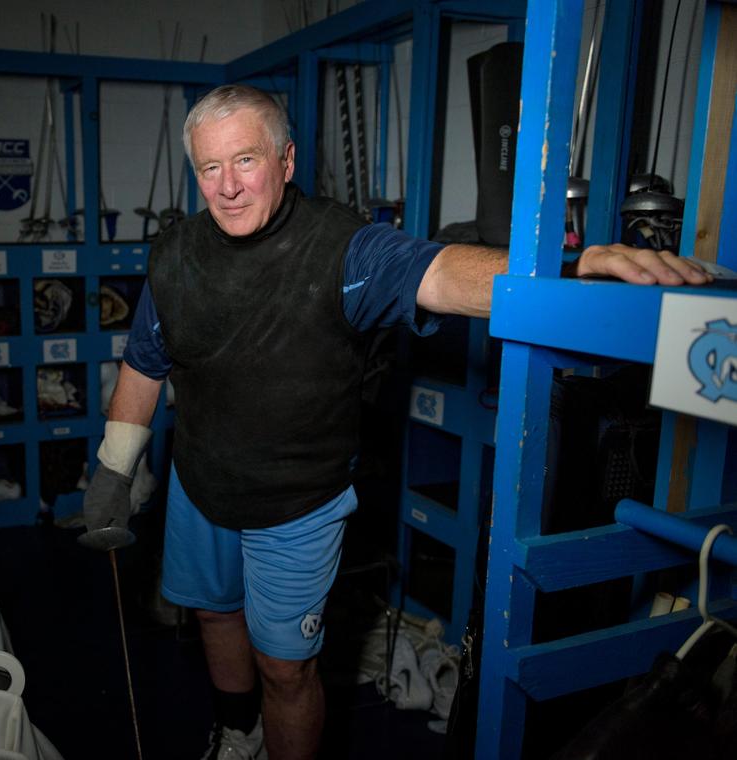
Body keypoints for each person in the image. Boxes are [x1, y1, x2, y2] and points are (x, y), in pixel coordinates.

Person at [78, 84, 711, 760]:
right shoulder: (174, 253)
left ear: (286, 161)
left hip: (296, 502)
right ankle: (237, 732)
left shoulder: (343, 248)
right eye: (210, 168)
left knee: (285, 670)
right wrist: (116, 467)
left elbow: (437, 271)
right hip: (200, 487)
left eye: (246, 161)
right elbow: (145, 361)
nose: (228, 186)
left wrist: (566, 269)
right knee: (214, 615)